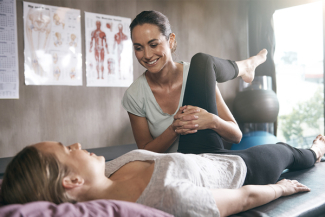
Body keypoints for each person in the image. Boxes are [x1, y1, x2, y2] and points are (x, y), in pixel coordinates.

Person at [1, 137, 325, 216]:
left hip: (201, 157)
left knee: (200, 69)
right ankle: (316, 149)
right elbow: (245, 198)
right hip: (243, 167)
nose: (77, 144)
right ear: (71, 182)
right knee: (291, 152)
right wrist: (280, 188)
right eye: (66, 149)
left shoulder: (108, 170)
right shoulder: (168, 198)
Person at [122, 10, 266, 154]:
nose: (146, 55)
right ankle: (245, 66)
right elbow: (145, 152)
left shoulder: (198, 75)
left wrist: (212, 121)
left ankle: (246, 67)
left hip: (207, 157)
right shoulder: (135, 95)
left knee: (202, 61)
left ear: (170, 41)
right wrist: (174, 129)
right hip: (172, 168)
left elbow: (236, 135)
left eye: (153, 44)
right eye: (138, 48)